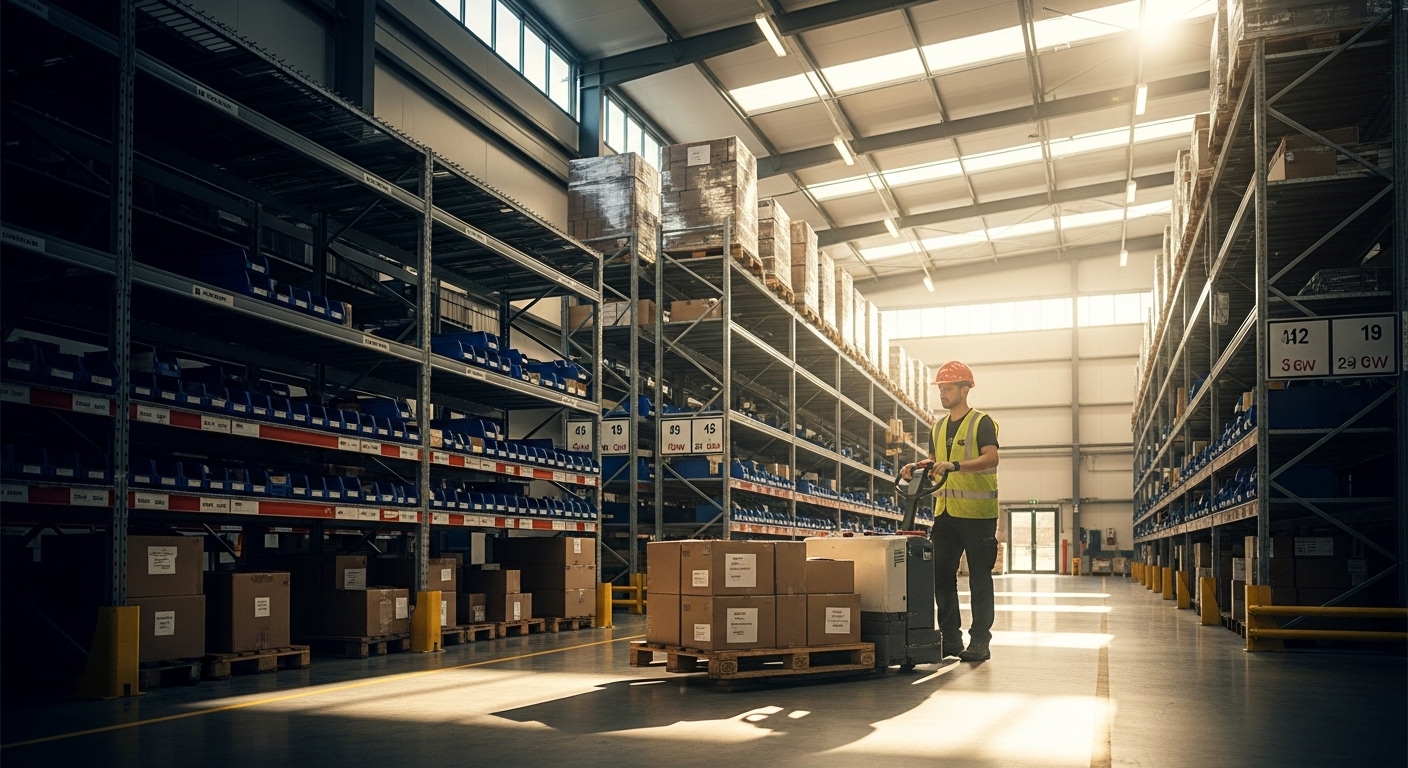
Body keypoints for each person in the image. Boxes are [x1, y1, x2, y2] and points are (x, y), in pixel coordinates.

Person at [900, 361, 1000, 662]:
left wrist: (956, 466)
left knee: (979, 578)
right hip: (945, 512)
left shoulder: (981, 422)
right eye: (940, 388)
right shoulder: (938, 426)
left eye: (948, 388)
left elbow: (992, 458)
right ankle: (950, 639)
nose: (942, 393)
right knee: (940, 574)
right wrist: (915, 467)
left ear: (965, 389)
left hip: (978, 514)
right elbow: (935, 463)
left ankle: (980, 641)